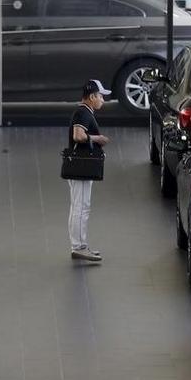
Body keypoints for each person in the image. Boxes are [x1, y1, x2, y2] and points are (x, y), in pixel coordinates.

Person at [67, 80, 111, 262]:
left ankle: (78, 245)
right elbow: (78, 136)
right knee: (81, 207)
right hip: (82, 166)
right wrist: (98, 138)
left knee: (78, 205)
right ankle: (79, 246)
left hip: (80, 165)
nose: (102, 100)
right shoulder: (83, 113)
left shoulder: (84, 112)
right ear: (92, 97)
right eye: (100, 96)